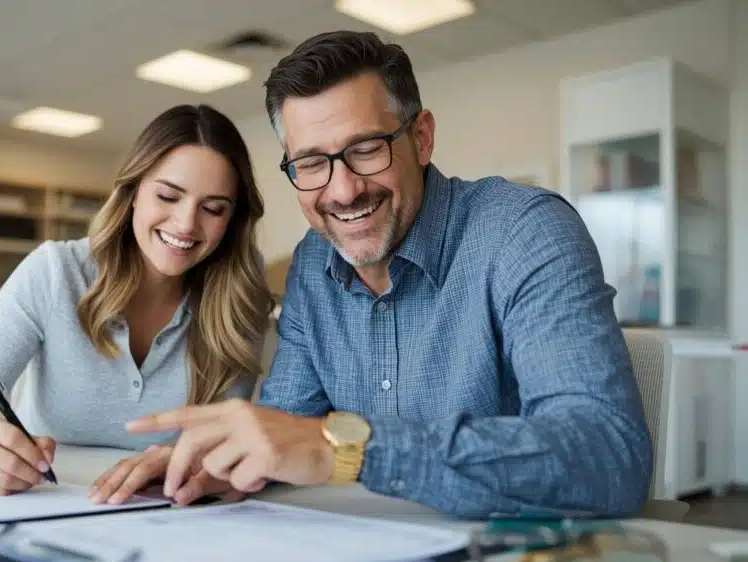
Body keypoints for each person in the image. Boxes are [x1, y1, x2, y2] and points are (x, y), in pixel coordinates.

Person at [103, 30, 654, 519]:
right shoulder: (313, 266)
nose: (342, 191)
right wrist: (219, 459)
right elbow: (288, 426)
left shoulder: (523, 233)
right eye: (312, 163)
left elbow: (606, 455)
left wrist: (348, 448)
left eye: (366, 149)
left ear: (421, 138)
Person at [0, 103, 273, 501]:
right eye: (169, 196)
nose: (187, 224)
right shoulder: (54, 272)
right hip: (45, 503)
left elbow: (227, 444)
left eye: (213, 208)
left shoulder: (239, 298)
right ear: (133, 193)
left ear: (232, 220)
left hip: (172, 516)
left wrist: (202, 465)